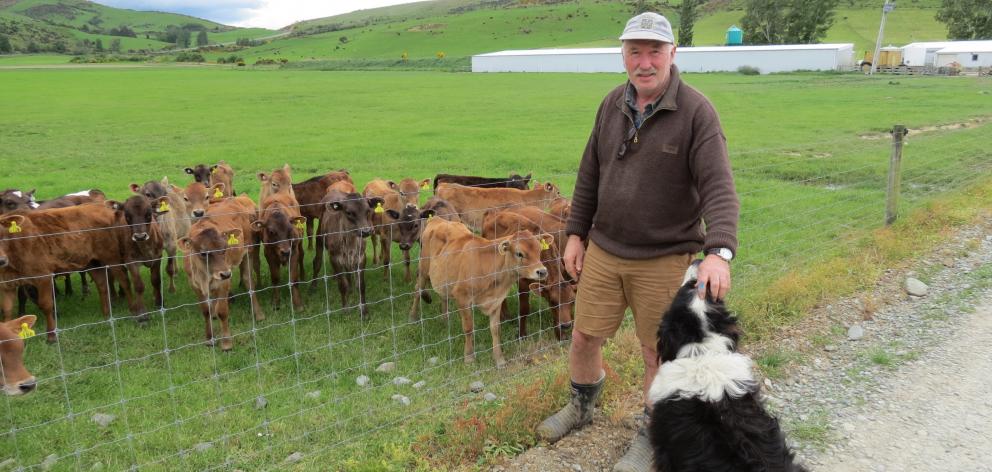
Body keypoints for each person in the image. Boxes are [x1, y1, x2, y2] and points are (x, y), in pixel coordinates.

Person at [536, 11, 740, 472]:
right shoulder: (611, 104)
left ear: (672, 54)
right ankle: (582, 406)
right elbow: (590, 174)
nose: (644, 62)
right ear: (623, 55)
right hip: (605, 250)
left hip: (664, 257)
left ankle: (653, 432)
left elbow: (719, 187)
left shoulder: (696, 112)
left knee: (656, 351)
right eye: (634, 51)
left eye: (654, 51)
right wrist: (575, 234)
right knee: (585, 334)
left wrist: (718, 252)